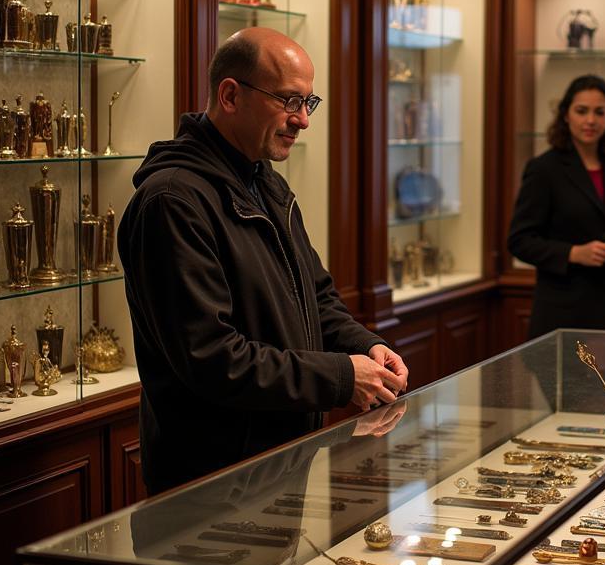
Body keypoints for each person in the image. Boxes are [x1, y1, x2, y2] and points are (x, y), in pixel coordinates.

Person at [119, 28, 408, 495]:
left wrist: (365, 344)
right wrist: (340, 377)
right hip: (211, 483)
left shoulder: (264, 182)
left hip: (275, 465)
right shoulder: (172, 201)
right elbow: (212, 359)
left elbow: (315, 296)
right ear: (230, 95)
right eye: (289, 101)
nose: (302, 121)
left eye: (308, 104)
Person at [507, 75, 605, 338]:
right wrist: (573, 253)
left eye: (600, 112)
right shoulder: (544, 169)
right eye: (581, 111)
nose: (591, 120)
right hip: (566, 315)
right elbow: (519, 241)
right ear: (566, 115)